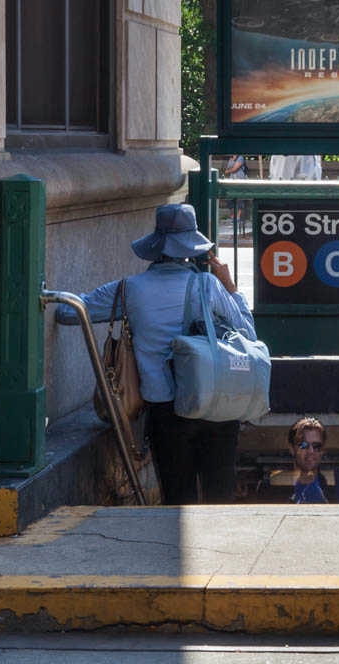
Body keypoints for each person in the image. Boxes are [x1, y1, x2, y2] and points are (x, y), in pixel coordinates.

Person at [55, 204, 257, 504]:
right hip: (215, 404)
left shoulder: (129, 289)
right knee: (220, 499)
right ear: (192, 248)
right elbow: (248, 334)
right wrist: (231, 288)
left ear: (156, 246)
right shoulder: (209, 285)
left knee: (176, 500)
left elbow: (68, 312)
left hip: (166, 409)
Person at [285, 417, 339, 504]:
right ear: (291, 448)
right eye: (304, 445)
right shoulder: (275, 482)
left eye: (316, 446)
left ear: (323, 450)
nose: (311, 451)